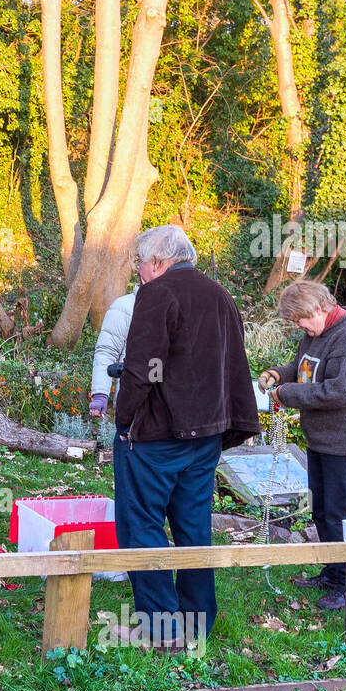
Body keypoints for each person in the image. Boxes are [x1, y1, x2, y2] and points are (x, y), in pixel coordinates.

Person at [112, 225, 260, 652]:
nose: (138, 271)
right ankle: (196, 625)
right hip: (206, 434)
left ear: (157, 262)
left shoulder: (158, 293)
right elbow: (226, 360)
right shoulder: (220, 294)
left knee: (141, 526)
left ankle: (161, 630)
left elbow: (145, 366)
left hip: (159, 435)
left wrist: (125, 419)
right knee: (193, 529)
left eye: (140, 263)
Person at [260, 279, 346, 610]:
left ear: (318, 308)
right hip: (322, 440)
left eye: (299, 320)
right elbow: (306, 371)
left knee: (343, 515)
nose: (298, 327)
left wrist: (287, 395)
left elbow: (341, 391)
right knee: (322, 511)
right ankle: (333, 571)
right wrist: (278, 375)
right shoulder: (317, 331)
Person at [88, 289, 136, 418]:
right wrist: (100, 395)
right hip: (131, 406)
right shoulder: (125, 306)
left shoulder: (180, 304)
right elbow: (107, 351)